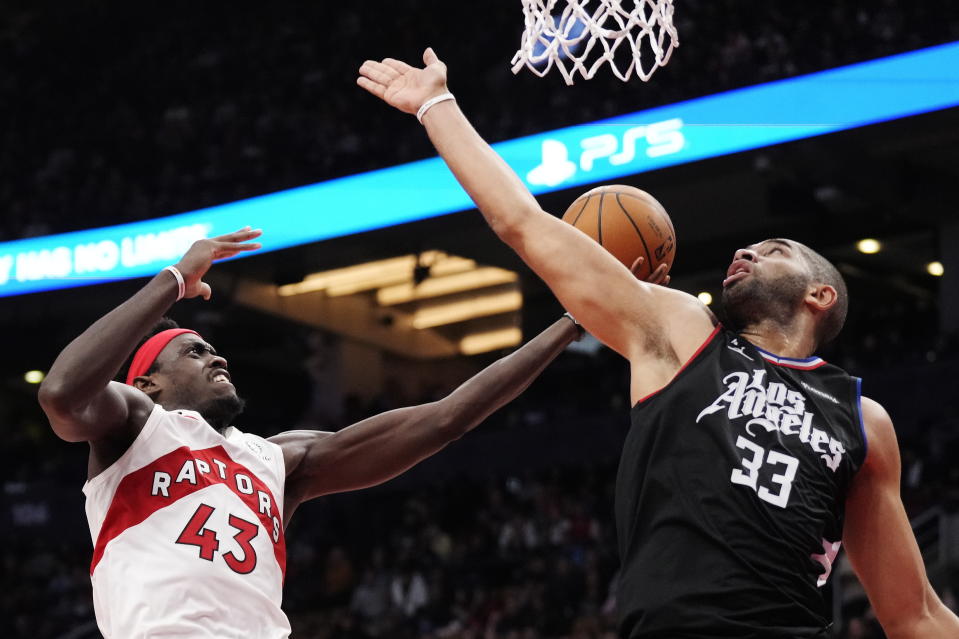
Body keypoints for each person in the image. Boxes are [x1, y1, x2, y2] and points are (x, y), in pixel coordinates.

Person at [357, 50, 959, 637]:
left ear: (820, 295)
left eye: (774, 251)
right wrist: (436, 104)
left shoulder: (862, 419)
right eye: (746, 249)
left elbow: (914, 615)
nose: (744, 251)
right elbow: (524, 223)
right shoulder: (680, 332)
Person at [37, 227, 669, 638]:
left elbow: (446, 417)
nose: (218, 358)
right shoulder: (134, 427)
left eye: (215, 350)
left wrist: (571, 321)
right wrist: (172, 282)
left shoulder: (278, 459)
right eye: (196, 352)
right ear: (147, 384)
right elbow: (62, 393)